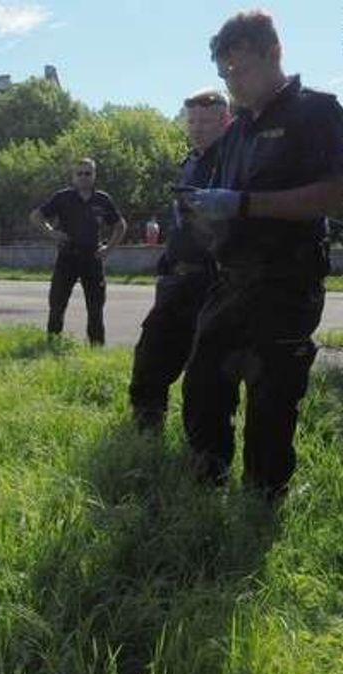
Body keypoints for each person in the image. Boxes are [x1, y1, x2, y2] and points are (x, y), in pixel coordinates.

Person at [178, 10, 343, 502]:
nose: (231, 82)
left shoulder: (315, 111)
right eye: (223, 74)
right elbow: (227, 200)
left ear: (272, 53)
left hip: (287, 280)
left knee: (272, 400)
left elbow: (339, 193)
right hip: (231, 279)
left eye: (239, 70)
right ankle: (203, 492)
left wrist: (245, 205)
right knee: (202, 386)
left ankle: (263, 502)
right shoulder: (235, 132)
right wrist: (207, 214)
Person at [128, 89, 232, 433]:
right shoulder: (190, 163)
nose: (197, 128)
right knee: (150, 356)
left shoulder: (234, 161)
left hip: (215, 282)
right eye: (192, 121)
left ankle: (203, 454)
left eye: (205, 121)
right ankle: (146, 429)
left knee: (206, 373)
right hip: (178, 278)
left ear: (225, 120)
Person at [29, 158, 127, 345]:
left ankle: (96, 350)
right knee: (57, 304)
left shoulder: (102, 199)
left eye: (87, 173)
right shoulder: (62, 197)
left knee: (95, 307)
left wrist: (109, 248)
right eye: (79, 173)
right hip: (67, 257)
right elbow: (36, 216)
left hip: (93, 259)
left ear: (94, 175)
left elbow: (120, 225)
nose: (83, 177)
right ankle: (52, 344)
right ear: (73, 177)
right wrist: (51, 232)